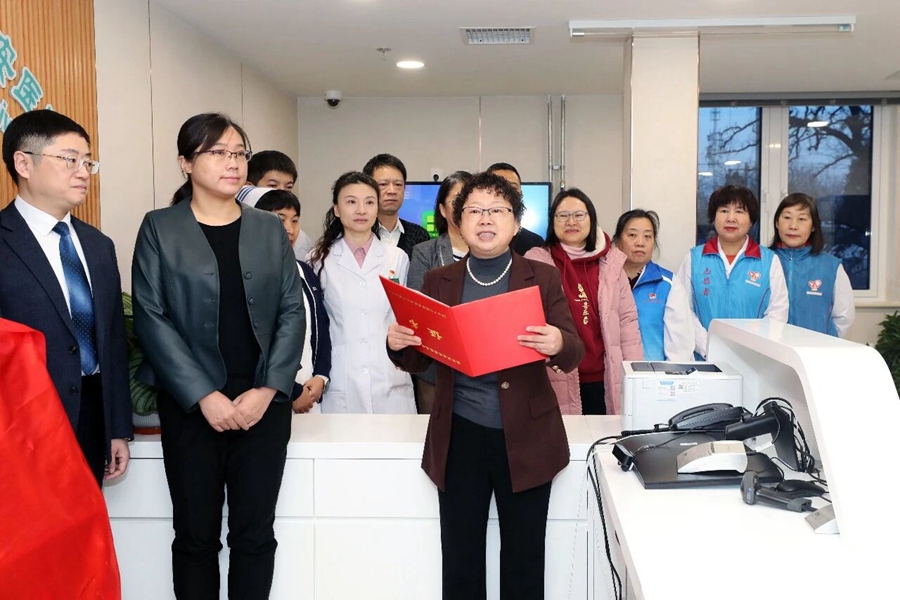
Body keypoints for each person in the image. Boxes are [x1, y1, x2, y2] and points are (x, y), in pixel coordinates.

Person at [132, 113, 305, 600]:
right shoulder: (160, 228)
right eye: (218, 152)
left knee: (255, 536)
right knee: (195, 538)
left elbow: (292, 311)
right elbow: (151, 317)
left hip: (262, 408)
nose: (233, 163)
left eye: (239, 153)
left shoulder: (269, 228)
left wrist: (268, 389)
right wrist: (203, 395)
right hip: (191, 409)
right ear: (185, 163)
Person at [387, 171, 584, 600]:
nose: (486, 219)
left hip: (527, 437)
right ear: (459, 222)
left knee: (523, 562)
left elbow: (573, 352)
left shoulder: (542, 277)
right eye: (474, 210)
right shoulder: (439, 280)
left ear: (515, 222)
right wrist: (398, 344)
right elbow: (419, 359)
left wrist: (557, 342)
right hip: (459, 436)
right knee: (461, 563)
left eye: (497, 210)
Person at [0, 109, 131, 487]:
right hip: (19, 425)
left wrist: (117, 428)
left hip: (91, 417)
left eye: (88, 162)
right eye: (69, 160)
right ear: (24, 163)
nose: (83, 172)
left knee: (86, 521)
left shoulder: (98, 245)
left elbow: (113, 343)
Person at [525, 188, 642, 415]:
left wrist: (634, 374)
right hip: (556, 375)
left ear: (591, 219)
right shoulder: (536, 263)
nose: (571, 222)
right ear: (552, 222)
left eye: (579, 215)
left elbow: (627, 321)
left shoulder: (612, 263)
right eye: (563, 215)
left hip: (605, 378)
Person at [309, 171, 415, 413]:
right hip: (340, 378)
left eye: (369, 202)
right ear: (337, 209)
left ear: (377, 208)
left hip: (389, 378)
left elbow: (403, 317)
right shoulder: (317, 259)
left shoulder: (396, 258)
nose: (361, 210)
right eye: (351, 202)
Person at [665, 185, 789, 361]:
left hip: (753, 361)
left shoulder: (769, 261)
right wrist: (709, 347)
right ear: (713, 217)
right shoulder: (694, 258)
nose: (731, 218)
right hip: (704, 359)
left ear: (751, 220)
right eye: (724, 211)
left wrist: (752, 350)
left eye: (739, 211)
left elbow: (777, 313)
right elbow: (683, 310)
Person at [254, 189, 332, 411]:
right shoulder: (250, 273)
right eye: (280, 219)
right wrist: (292, 392)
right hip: (267, 398)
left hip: (310, 392)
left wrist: (321, 376)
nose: (289, 228)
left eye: (295, 220)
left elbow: (321, 326)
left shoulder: (304, 271)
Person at [407, 170, 472, 413]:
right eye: (456, 199)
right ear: (443, 210)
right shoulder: (425, 252)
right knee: (436, 433)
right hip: (435, 370)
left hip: (483, 370)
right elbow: (418, 311)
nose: (463, 205)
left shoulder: (491, 251)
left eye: (468, 199)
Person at [770, 192, 855, 337]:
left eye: (802, 219)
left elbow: (844, 317)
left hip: (816, 349)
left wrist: (826, 343)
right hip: (770, 348)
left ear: (813, 226)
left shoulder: (831, 266)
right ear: (777, 223)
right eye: (787, 217)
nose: (793, 226)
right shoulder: (765, 261)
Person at [613, 209, 673, 361]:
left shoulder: (668, 284)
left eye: (647, 236)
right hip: (609, 372)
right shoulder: (603, 281)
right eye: (632, 235)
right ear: (617, 241)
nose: (640, 243)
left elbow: (679, 346)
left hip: (652, 372)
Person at [237, 149, 313, 260]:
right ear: (248, 187)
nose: (281, 193)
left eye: (288, 187)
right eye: (272, 185)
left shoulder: (300, 239)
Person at [362, 153, 430, 258]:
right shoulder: (359, 232)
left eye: (398, 184)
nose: (392, 191)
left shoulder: (419, 235)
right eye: (383, 184)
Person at [485, 162, 544, 255]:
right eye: (498, 187)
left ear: (520, 193)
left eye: (512, 187)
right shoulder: (473, 236)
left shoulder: (534, 243)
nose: (506, 192)